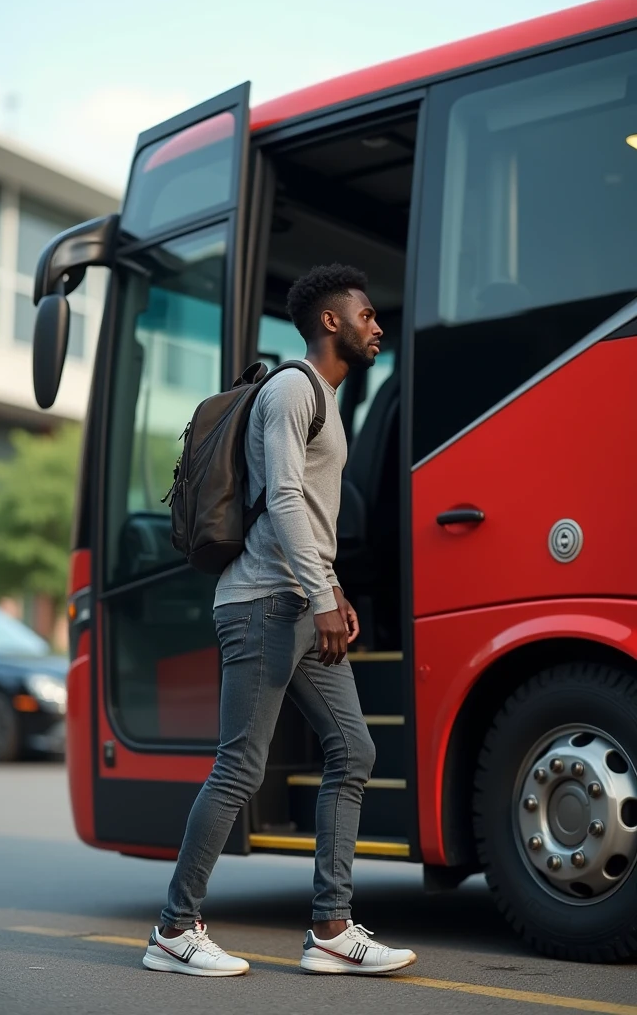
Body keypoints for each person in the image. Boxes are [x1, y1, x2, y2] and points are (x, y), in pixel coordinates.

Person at [143, 264, 417, 978]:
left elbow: (307, 515)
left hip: (297, 599)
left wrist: (332, 590)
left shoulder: (320, 396)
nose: (376, 326)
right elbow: (287, 500)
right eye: (366, 315)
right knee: (240, 764)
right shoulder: (294, 388)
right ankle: (175, 927)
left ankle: (330, 928)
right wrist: (321, 593)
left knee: (353, 751)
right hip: (264, 602)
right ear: (331, 321)